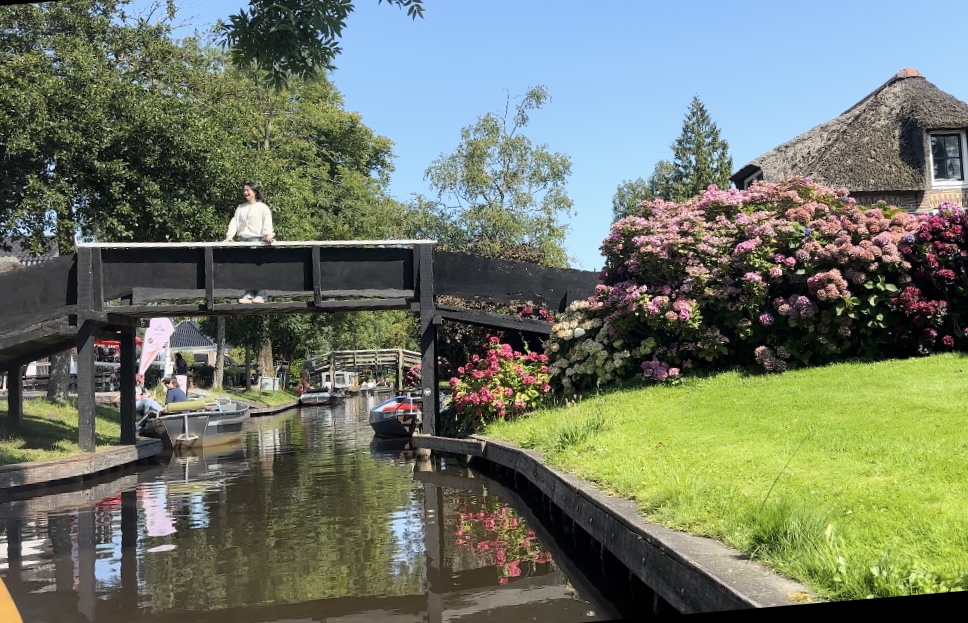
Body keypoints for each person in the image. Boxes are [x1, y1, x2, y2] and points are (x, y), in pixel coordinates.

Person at [223, 182, 275, 303]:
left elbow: (267, 222)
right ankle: (249, 294)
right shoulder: (241, 208)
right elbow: (235, 222)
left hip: (257, 241)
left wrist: (268, 234)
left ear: (255, 192)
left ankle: (262, 294)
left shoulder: (262, 207)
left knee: (257, 268)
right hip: (243, 241)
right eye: (244, 190)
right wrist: (230, 236)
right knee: (246, 268)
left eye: (248, 190)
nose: (246, 193)